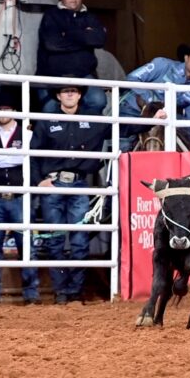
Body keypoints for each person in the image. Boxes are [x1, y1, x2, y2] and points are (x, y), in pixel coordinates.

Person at [30, 84, 107, 304]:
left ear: (80, 94)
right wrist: (39, 182)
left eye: (74, 90)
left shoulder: (93, 120)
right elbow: (33, 154)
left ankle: (74, 292)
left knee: (80, 240)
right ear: (58, 95)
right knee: (55, 240)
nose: (70, 94)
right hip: (53, 184)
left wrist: (152, 116)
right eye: (65, 91)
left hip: (79, 184)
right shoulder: (47, 120)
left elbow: (122, 128)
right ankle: (61, 291)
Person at [0, 88, 40, 305]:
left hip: (19, 196)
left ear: (14, 111)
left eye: (7, 108)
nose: (3, 112)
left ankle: (31, 294)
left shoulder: (27, 133)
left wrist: (2, 157)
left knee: (27, 247)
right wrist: (14, 156)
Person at [120, 41, 190, 151]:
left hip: (163, 121)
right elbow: (132, 77)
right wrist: (150, 101)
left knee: (187, 136)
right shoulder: (162, 64)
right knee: (124, 145)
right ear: (186, 57)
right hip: (134, 110)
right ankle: (113, 166)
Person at [36, 0, 107, 114]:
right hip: (52, 75)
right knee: (50, 109)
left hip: (83, 75)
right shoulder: (51, 15)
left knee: (99, 101)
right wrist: (85, 37)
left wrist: (67, 33)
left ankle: (82, 132)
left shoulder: (90, 17)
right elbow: (52, 43)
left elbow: (99, 40)